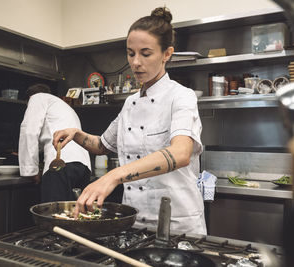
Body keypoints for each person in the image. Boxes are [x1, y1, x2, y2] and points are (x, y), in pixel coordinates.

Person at [53, 7, 206, 235]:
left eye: (145, 54)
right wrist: (77, 134)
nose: (135, 62)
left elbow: (181, 153)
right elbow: (103, 145)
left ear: (167, 53)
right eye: (130, 53)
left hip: (176, 224)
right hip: (135, 222)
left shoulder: (181, 96)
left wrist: (113, 176)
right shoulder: (130, 103)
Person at [18, 83, 92, 202]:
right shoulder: (62, 106)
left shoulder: (37, 98)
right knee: (76, 216)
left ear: (29, 99)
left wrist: (31, 170)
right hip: (83, 167)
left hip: (60, 165)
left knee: (53, 216)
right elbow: (49, 136)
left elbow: (29, 131)